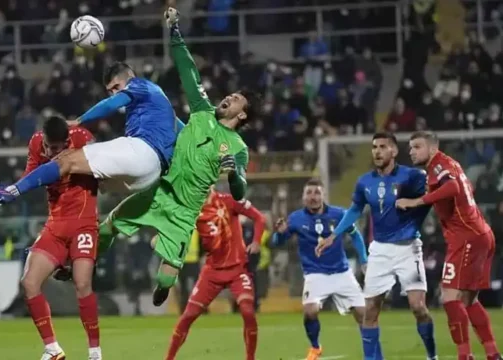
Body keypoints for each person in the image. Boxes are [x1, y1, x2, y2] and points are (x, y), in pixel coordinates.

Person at [94, 7, 259, 307]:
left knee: (166, 277)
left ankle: (164, 286)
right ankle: (89, 262)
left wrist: (234, 174)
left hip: (186, 209)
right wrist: (175, 32)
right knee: (109, 225)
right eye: (230, 95)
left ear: (242, 114)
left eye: (235, 100)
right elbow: (188, 70)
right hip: (160, 188)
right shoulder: (201, 109)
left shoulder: (238, 148)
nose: (228, 97)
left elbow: (241, 191)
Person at [0, 61, 181, 204]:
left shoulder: (140, 85)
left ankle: (11, 191)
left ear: (129, 77)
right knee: (81, 174)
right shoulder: (162, 104)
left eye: (116, 86)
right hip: (150, 175)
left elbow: (113, 103)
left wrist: (79, 120)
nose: (115, 92)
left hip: (142, 152)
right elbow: (184, 130)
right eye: (110, 89)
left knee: (67, 160)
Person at [317, 132, 437, 360]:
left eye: (383, 146)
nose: (377, 151)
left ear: (394, 151)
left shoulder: (412, 176)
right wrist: (334, 235)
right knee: (370, 311)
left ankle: (432, 356)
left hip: (408, 247)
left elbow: (432, 197)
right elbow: (354, 210)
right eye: (374, 147)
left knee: (418, 307)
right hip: (380, 250)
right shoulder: (365, 181)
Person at [396, 131, 503, 360]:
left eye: (417, 146)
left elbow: (453, 187)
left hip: (466, 237)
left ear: (432, 148)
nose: (411, 151)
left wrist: (416, 201)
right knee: (469, 299)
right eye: (410, 147)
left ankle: (464, 355)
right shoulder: (450, 163)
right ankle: (492, 353)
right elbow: (464, 190)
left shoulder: (437, 165)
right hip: (480, 233)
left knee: (449, 298)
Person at [18, 117, 102, 360]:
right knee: (29, 282)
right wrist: (13, 189)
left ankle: (95, 353)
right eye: (48, 146)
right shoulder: (35, 143)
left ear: (67, 142)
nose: (51, 152)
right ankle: (53, 349)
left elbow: (104, 169)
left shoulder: (83, 139)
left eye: (57, 148)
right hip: (55, 225)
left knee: (82, 283)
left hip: (84, 223)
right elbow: (30, 177)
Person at [165, 188, 265, 360]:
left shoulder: (231, 200)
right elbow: (176, 231)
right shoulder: (192, 210)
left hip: (237, 270)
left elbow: (259, 218)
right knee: (188, 316)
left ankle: (250, 358)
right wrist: (163, 239)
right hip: (212, 273)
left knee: (248, 311)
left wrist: (256, 242)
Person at [273, 178, 367, 360]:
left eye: (317, 192)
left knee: (363, 315)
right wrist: (280, 233)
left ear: (324, 195)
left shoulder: (339, 214)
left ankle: (371, 351)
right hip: (315, 274)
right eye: (309, 193)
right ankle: (315, 347)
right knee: (310, 311)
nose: (313, 197)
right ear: (303, 197)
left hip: (341, 272)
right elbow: (278, 243)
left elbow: (355, 235)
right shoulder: (296, 218)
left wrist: (364, 259)